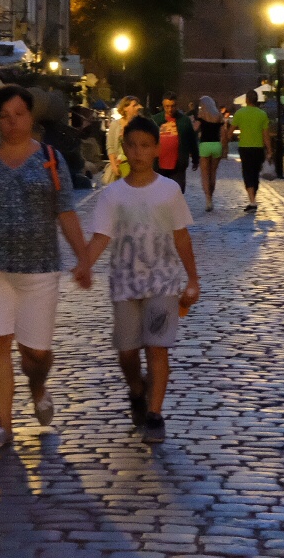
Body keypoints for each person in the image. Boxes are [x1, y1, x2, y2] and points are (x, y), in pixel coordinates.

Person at [0, 85, 93, 451]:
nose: (12, 122)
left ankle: (37, 386)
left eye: (19, 115)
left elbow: (66, 212)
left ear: (30, 117)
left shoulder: (50, 159)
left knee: (36, 353)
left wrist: (83, 257)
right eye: (4, 117)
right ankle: (3, 424)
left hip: (39, 269)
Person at [76, 116, 201, 444]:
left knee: (158, 348)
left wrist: (192, 278)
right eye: (131, 145)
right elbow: (101, 236)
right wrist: (85, 264)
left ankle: (155, 414)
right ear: (124, 148)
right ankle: (136, 390)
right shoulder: (113, 195)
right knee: (128, 352)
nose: (138, 152)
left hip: (163, 282)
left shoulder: (169, 191)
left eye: (145, 146)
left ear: (157, 149)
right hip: (126, 283)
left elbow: (181, 236)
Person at [229, 90, 272, 212]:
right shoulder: (262, 114)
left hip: (245, 147)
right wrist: (269, 150)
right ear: (257, 100)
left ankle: (252, 201)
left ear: (246, 100)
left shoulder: (240, 113)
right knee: (255, 174)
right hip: (258, 148)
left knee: (247, 173)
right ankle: (253, 199)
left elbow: (230, 131)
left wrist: (227, 138)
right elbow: (266, 135)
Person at [155, 93, 199, 194]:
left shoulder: (184, 121)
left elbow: (192, 140)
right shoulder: (156, 120)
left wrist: (195, 159)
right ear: (163, 105)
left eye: (173, 106)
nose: (170, 109)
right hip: (158, 165)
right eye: (167, 106)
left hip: (178, 166)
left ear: (177, 105)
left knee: (176, 193)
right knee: (158, 194)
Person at [194, 96, 228, 212]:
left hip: (205, 145)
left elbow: (195, 129)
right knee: (213, 173)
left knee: (205, 174)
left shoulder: (201, 115)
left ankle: (208, 200)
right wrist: (224, 148)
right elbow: (224, 133)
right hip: (216, 145)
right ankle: (211, 197)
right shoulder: (219, 116)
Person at [104, 96, 142, 185]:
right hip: (120, 166)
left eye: (137, 105)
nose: (138, 107)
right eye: (134, 105)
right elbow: (110, 147)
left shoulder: (140, 125)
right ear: (125, 108)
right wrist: (114, 166)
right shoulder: (115, 125)